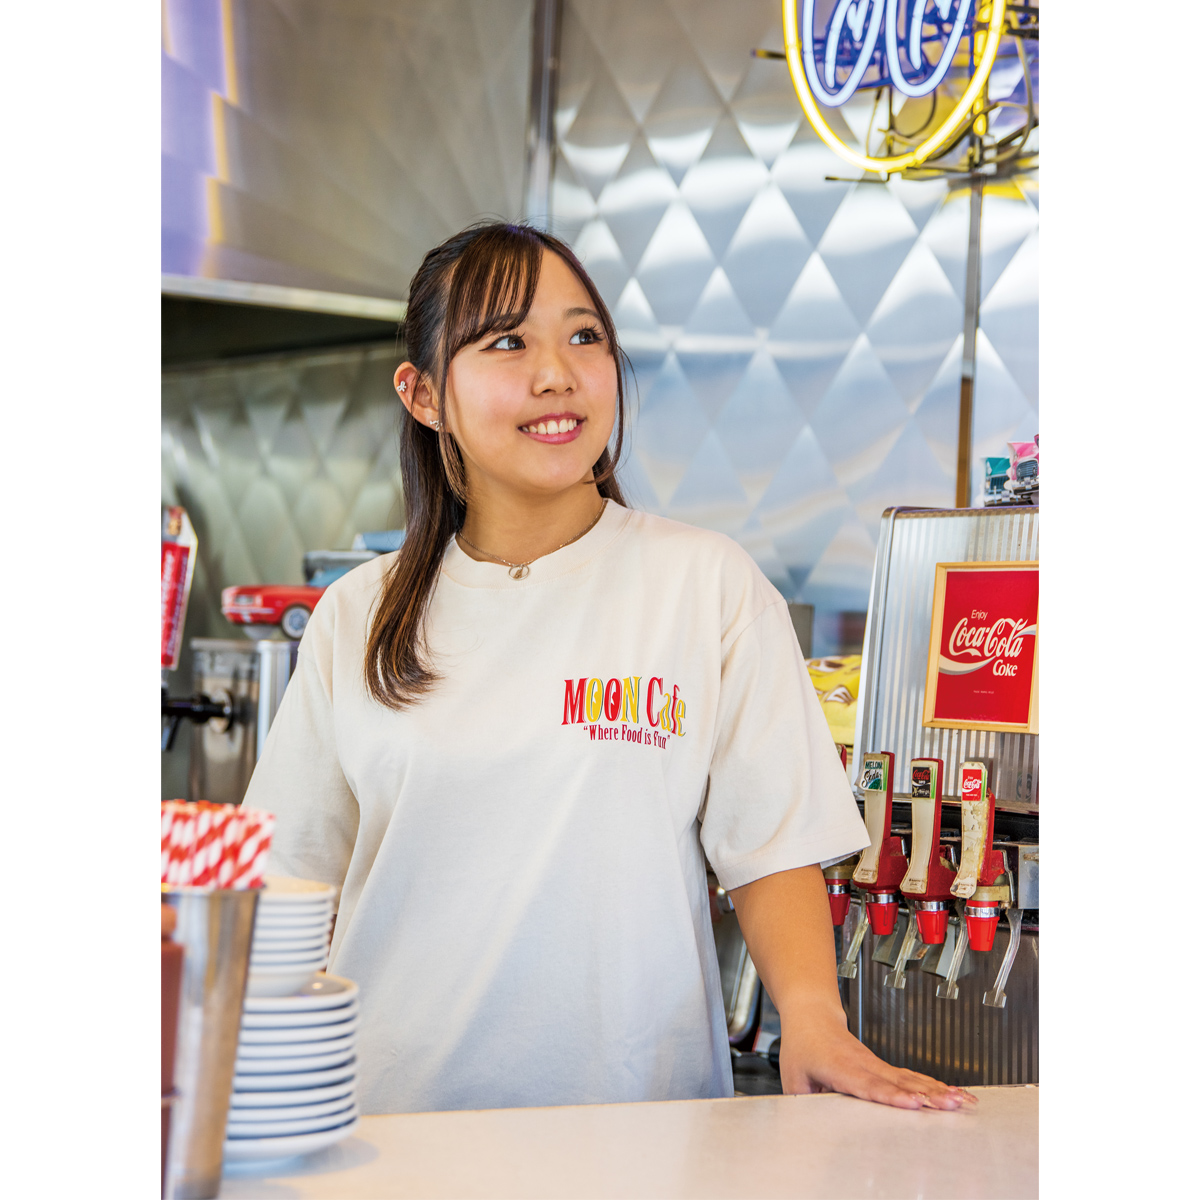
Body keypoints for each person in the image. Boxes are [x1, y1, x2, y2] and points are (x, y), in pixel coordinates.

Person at [244, 222, 975, 1116]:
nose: (557, 374)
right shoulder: (359, 613)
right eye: (506, 342)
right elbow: (288, 880)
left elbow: (770, 847)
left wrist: (814, 1019)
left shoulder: (705, 584)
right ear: (424, 394)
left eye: (584, 336)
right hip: (394, 1124)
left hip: (640, 1126)